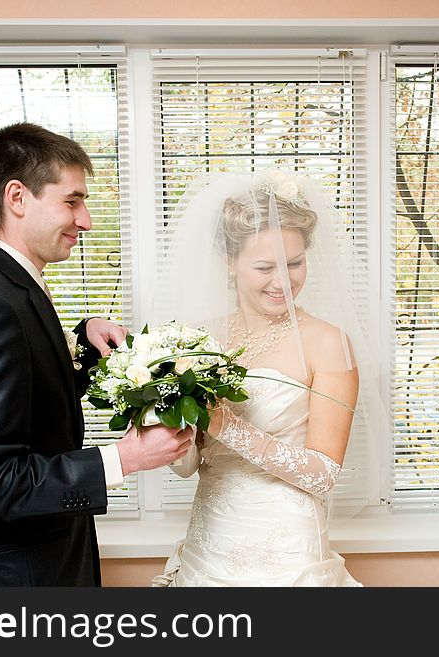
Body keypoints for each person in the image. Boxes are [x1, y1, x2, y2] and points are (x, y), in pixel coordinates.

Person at [0, 122, 191, 586]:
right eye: (72, 201)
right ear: (17, 198)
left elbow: (27, 399)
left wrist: (83, 339)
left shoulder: (14, 287)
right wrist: (123, 459)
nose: (86, 220)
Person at [151, 170, 377, 586]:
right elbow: (187, 466)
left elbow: (322, 474)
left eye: (294, 263)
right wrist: (156, 414)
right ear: (230, 263)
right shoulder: (201, 338)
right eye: (264, 266)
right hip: (210, 538)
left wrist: (226, 426)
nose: (283, 281)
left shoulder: (329, 343)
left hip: (288, 548)